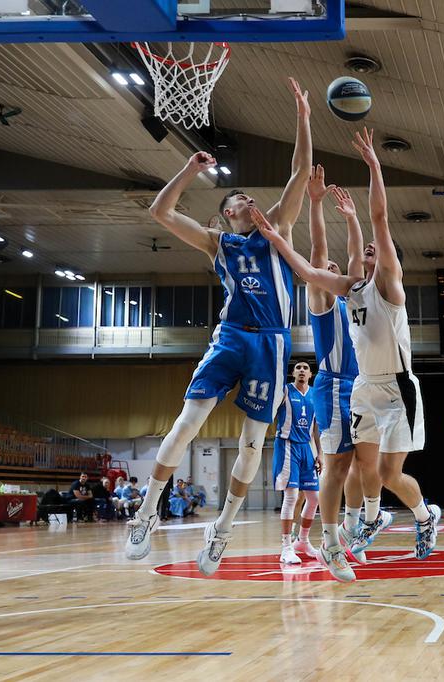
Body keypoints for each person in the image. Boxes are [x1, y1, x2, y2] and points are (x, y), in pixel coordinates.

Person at [126, 77, 312, 576]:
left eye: (253, 198)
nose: (249, 202)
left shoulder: (278, 231)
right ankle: (146, 513)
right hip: (231, 337)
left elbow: (299, 173)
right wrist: (189, 168)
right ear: (226, 215)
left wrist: (303, 116)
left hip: (272, 344)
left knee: (253, 444)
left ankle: (223, 527)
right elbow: (160, 211)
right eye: (239, 201)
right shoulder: (218, 243)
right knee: (188, 424)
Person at [254, 128, 440, 582]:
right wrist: (275, 238)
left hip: (398, 387)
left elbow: (379, 219)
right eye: (366, 254)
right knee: (360, 465)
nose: (369, 252)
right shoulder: (349, 289)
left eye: (377, 251)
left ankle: (423, 516)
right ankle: (361, 522)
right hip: (362, 389)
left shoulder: (389, 285)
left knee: (391, 474)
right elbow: (309, 266)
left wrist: (374, 166)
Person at [303, 164, 393, 566]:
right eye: (329, 270)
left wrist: (354, 219)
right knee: (337, 465)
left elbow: (356, 258)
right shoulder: (322, 302)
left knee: (362, 462)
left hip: (360, 385)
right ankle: (329, 542)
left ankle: (354, 528)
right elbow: (319, 251)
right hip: (334, 383)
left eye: (340, 270)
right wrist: (316, 204)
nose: (335, 269)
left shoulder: (352, 299)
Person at [274, 361, 322, 565]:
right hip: (287, 445)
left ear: (311, 374)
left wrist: (320, 453)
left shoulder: (315, 394)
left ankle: (302, 541)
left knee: (314, 498)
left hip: (306, 447)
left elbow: (316, 427)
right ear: (293, 373)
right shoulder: (285, 390)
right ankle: (285, 548)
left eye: (305, 368)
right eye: (298, 368)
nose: (301, 370)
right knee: (292, 496)